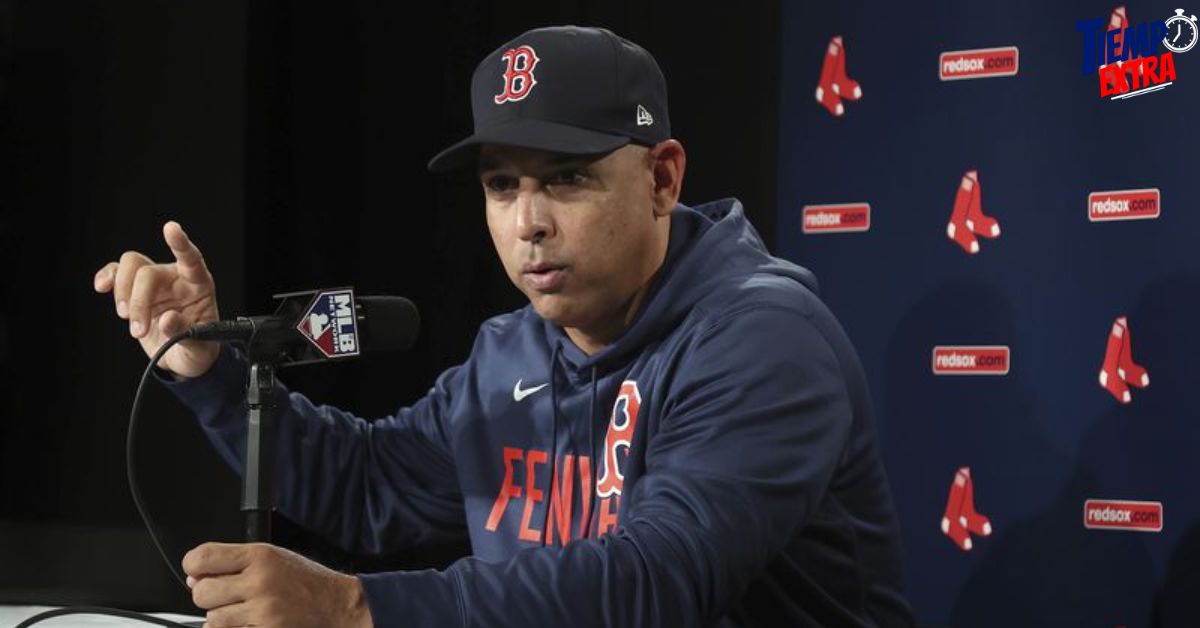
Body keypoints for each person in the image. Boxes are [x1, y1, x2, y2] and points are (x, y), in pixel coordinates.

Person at [93, 25, 913, 628]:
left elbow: (656, 580)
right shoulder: (512, 350)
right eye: (501, 185)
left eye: (567, 180)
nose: (528, 223)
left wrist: (352, 606)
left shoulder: (763, 339)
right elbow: (372, 487)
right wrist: (207, 370)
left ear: (662, 178)